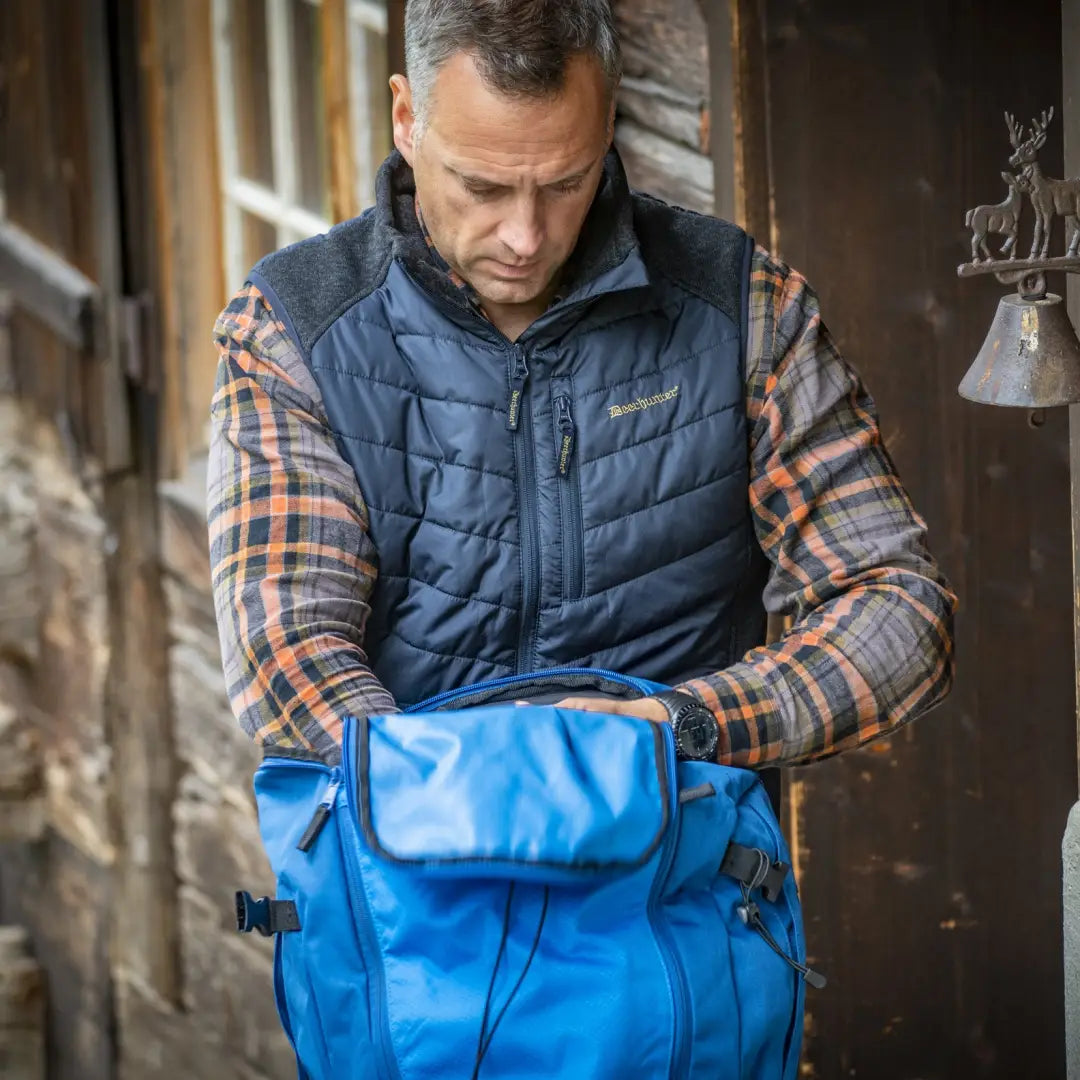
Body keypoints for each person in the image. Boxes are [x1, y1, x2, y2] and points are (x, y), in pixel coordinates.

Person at [207, 0, 955, 777]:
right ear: (407, 116)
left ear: (609, 121)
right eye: (484, 187)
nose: (525, 237)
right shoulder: (293, 330)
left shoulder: (741, 307)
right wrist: (469, 800)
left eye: (565, 182)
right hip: (404, 869)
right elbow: (288, 650)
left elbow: (899, 607)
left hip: (673, 870)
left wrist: (679, 727)